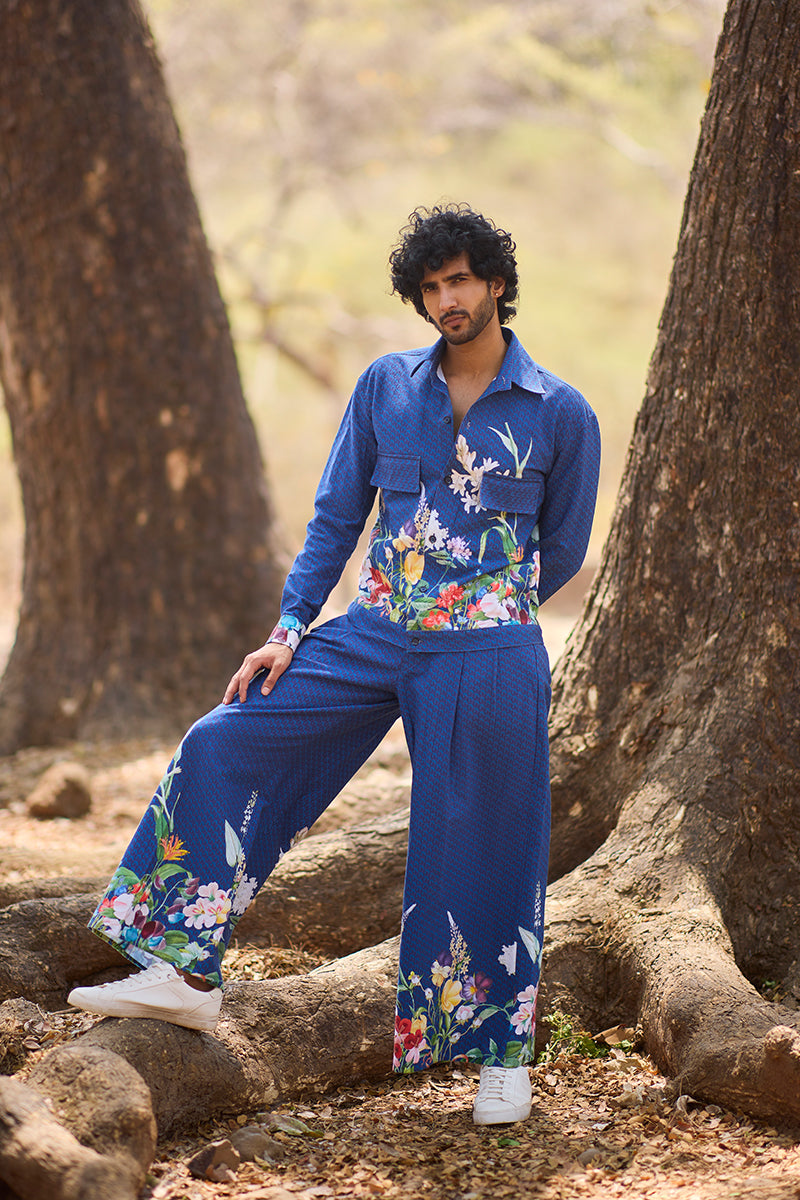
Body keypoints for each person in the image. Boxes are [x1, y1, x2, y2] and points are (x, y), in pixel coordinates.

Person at [68, 204, 601, 1126]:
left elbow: (563, 546)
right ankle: (181, 970)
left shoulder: (561, 412)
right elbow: (336, 516)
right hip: (373, 630)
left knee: (486, 838)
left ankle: (500, 1054)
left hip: (487, 648)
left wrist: (485, 608)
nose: (447, 300)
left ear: (497, 283)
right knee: (224, 740)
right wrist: (288, 628)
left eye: (461, 280)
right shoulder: (385, 387)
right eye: (431, 287)